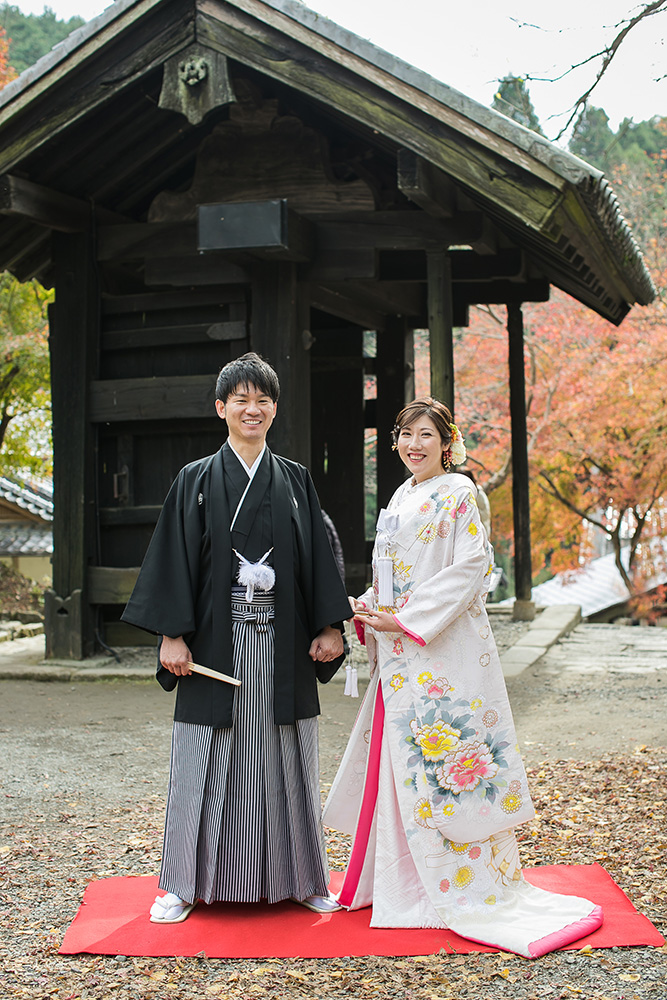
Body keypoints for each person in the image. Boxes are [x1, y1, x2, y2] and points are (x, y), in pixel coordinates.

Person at [323, 397, 603, 958]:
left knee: (446, 761)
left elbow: (471, 568)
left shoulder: (459, 493)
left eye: (426, 435)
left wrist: (403, 619)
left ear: (447, 443)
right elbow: (395, 575)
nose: (414, 445)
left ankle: (452, 888)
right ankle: (400, 885)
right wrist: (372, 605)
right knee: (404, 765)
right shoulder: (402, 496)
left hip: (442, 653)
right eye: (405, 435)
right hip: (405, 649)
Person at [122, 352, 352, 922]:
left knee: (286, 760)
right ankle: (182, 882)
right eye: (241, 400)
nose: (254, 409)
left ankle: (300, 877)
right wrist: (171, 636)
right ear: (221, 407)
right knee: (206, 759)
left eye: (264, 399)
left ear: (275, 408)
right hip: (214, 647)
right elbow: (173, 562)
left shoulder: (295, 479)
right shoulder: (195, 479)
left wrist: (328, 625)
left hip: (282, 645)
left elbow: (317, 559)